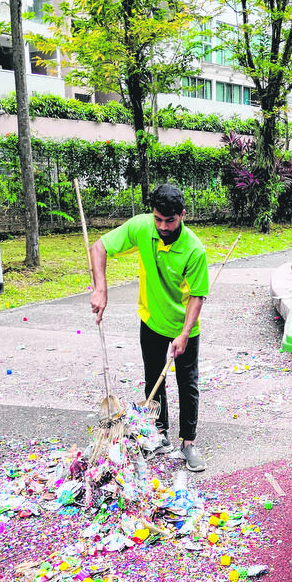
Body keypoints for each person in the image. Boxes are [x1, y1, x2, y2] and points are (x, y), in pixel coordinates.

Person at [90, 183, 209, 472]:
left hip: (184, 325)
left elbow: (197, 295)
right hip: (151, 320)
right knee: (153, 378)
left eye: (170, 220)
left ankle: (188, 442)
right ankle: (159, 434)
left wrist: (182, 335)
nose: (163, 226)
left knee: (187, 384)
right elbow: (99, 247)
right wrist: (101, 288)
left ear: (182, 215)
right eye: (158, 219)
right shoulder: (143, 228)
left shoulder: (194, 250)